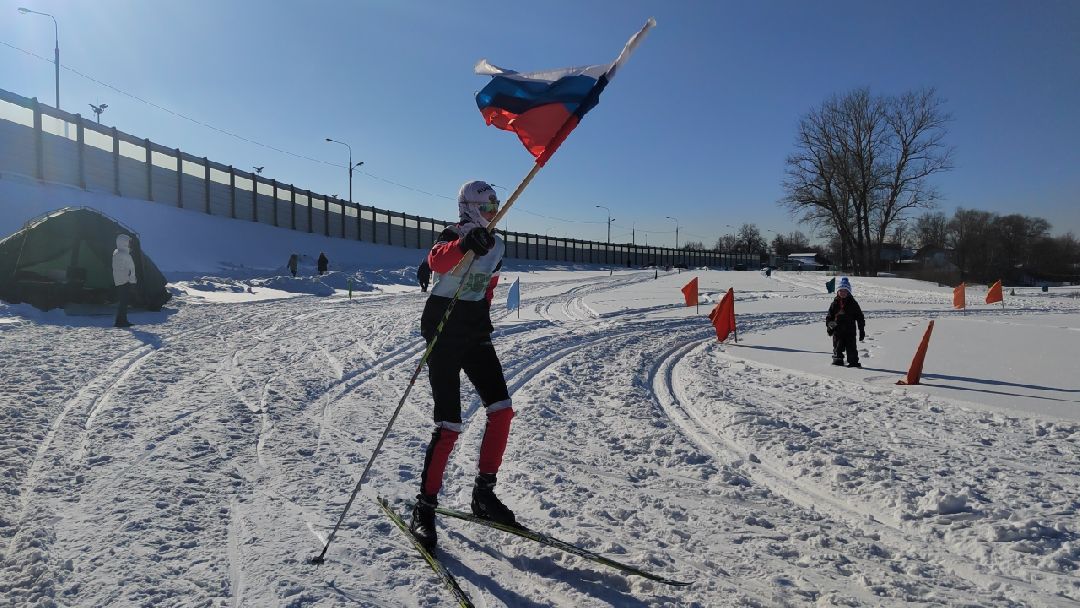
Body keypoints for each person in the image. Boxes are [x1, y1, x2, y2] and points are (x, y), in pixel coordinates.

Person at [410, 180, 515, 553]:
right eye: (488, 207)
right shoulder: (452, 233)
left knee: (502, 410)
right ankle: (424, 508)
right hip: (443, 325)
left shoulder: (498, 244)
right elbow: (439, 259)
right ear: (470, 207)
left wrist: (482, 312)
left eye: (497, 206)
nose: (494, 213)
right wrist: (465, 244)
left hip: (474, 326)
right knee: (450, 424)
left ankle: (484, 494)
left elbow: (488, 283)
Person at [826, 277, 865, 368]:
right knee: (837, 347)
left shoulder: (853, 303)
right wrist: (830, 327)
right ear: (838, 292)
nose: (843, 293)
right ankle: (837, 360)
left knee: (851, 348)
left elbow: (860, 317)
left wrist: (861, 330)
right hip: (838, 331)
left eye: (845, 291)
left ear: (848, 292)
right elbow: (829, 317)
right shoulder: (834, 304)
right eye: (841, 291)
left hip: (850, 330)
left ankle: (853, 362)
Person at [112, 234, 137, 328]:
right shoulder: (125, 254)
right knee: (124, 302)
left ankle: (121, 320)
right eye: (128, 242)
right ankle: (121, 321)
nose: (129, 244)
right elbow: (131, 269)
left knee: (122, 302)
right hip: (125, 281)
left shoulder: (116, 252)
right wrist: (132, 282)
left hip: (118, 280)